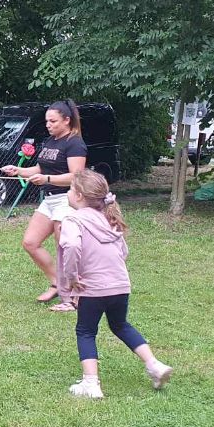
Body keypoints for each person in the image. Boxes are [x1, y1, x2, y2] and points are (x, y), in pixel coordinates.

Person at [59, 169, 173, 399]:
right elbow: (123, 252)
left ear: (79, 195)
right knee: (120, 325)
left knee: (85, 331)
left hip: (91, 287)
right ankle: (154, 365)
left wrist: (71, 277)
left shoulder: (73, 220)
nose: (69, 193)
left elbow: (71, 246)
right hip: (120, 285)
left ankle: (91, 384)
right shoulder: (109, 217)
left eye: (71, 189)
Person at [2, 100, 88, 311]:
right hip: (49, 200)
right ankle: (57, 283)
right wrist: (19, 171)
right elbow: (41, 167)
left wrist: (46, 178)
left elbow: (76, 177)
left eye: (53, 121)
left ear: (67, 120)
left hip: (66, 200)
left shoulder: (75, 143)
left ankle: (76, 296)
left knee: (65, 248)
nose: (48, 125)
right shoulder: (51, 141)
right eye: (47, 121)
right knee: (30, 243)